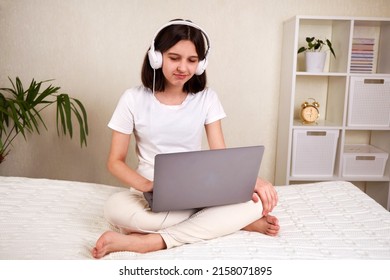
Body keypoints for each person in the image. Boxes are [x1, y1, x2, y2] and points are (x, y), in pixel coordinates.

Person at [92, 19, 279, 259]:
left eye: (192, 60)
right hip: (149, 192)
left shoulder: (207, 98)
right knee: (114, 208)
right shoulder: (132, 98)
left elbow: (219, 156)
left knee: (257, 202)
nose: (183, 67)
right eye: (174, 58)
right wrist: (149, 187)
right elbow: (114, 161)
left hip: (198, 189)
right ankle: (226, 222)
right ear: (156, 58)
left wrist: (255, 181)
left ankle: (153, 241)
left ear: (201, 64)